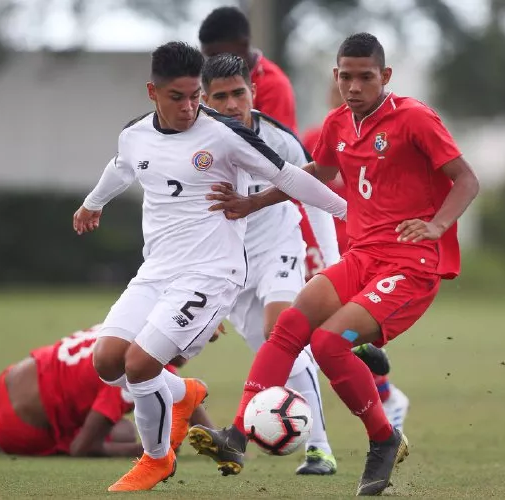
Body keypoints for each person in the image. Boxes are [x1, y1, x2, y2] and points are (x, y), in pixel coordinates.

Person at [188, 33, 480, 496]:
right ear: (336, 77)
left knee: (327, 345)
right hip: (363, 257)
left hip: (410, 266)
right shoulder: (338, 124)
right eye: (346, 76)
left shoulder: (414, 118)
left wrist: (438, 226)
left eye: (366, 77)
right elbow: (315, 176)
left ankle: (383, 439)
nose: (355, 86)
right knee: (288, 327)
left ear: (385, 77)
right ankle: (238, 435)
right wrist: (255, 202)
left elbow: (466, 179)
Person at [72, 41, 346, 492]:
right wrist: (92, 203)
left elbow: (292, 177)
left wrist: (346, 213)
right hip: (156, 271)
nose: (190, 107)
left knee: (140, 366)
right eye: (177, 97)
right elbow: (122, 167)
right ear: (152, 92)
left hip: (213, 274)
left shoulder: (223, 134)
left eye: (196, 96)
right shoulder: (135, 134)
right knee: (107, 362)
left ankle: (156, 460)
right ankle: (184, 394)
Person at [200, 53, 337, 475]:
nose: (231, 104)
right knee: (274, 354)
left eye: (238, 93)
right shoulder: (194, 145)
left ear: (253, 92)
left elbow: (314, 195)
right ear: (204, 100)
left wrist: (333, 264)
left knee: (280, 332)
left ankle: (319, 448)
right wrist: (202, 293)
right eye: (219, 96)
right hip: (229, 267)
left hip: (278, 245)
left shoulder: (279, 139)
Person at [198, 5, 337, 280]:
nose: (211, 64)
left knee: (307, 296)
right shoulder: (217, 84)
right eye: (207, 57)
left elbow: (270, 157)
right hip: (240, 209)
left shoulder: (274, 86)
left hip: (277, 207)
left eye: (216, 55)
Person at [302, 81, 410, 431]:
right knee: (315, 327)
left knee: (331, 331)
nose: (346, 97)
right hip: (325, 246)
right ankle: (379, 382)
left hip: (363, 246)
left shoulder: (382, 141)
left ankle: (384, 393)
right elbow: (305, 193)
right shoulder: (317, 138)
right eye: (337, 90)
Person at [0, 325, 188, 458]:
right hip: (20, 428)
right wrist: (149, 451)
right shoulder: (136, 365)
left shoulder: (125, 325)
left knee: (121, 429)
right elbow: (82, 448)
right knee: (122, 435)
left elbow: (187, 397)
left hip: (5, 385)